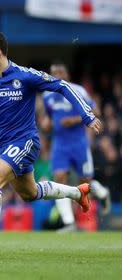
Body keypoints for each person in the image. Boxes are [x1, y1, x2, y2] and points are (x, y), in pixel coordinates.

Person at [0, 31, 103, 257]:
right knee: (29, 193)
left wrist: (86, 115)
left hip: (25, 141)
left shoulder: (25, 75)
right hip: (5, 146)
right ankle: (77, 193)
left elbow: (62, 85)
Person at [41, 61, 111, 232]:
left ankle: (102, 193)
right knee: (59, 180)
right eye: (53, 74)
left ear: (66, 75)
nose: (56, 77)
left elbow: (96, 112)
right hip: (59, 145)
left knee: (84, 184)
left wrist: (74, 120)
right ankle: (69, 222)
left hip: (79, 143)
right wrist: (46, 124)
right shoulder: (47, 95)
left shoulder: (78, 91)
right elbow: (48, 117)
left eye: (59, 73)